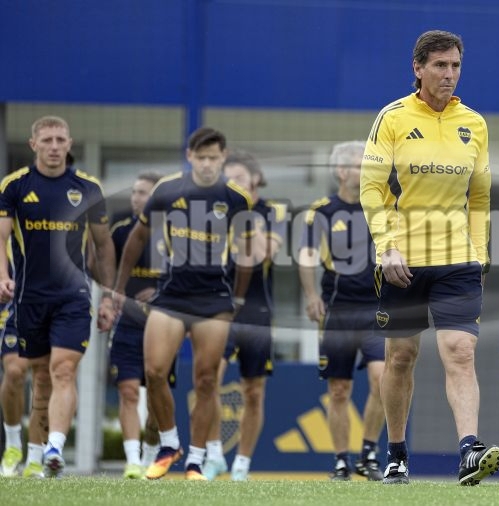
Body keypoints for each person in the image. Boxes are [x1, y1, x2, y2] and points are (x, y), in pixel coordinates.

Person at [359, 30, 499, 485]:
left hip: (457, 259)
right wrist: (386, 247)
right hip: (402, 260)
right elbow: (371, 189)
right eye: (440, 65)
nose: (449, 74)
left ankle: (468, 451)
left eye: (456, 65)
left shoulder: (474, 123)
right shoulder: (393, 117)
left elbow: (480, 197)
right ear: (418, 68)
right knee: (401, 356)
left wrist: (479, 255)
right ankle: (397, 455)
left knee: (460, 350)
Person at [113, 127, 253, 481]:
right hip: (172, 294)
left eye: (213, 158)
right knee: (154, 371)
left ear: (223, 158)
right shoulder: (167, 189)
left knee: (206, 380)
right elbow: (138, 237)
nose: (207, 164)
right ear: (189, 157)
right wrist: (118, 287)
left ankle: (195, 461)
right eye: (200, 157)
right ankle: (169, 444)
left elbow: (247, 252)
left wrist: (237, 298)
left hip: (214, 299)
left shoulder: (235, 197)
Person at [0, 116, 116, 478]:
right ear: (33, 144)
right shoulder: (15, 186)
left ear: (69, 143)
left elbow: (103, 245)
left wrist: (108, 296)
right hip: (28, 298)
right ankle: (17, 445)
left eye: (60, 139)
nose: (54, 146)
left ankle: (52, 448)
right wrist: (2, 275)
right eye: (47, 140)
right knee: (27, 374)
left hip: (72, 297)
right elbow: (1, 236)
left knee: (62, 370)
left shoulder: (87, 188)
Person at [299, 141, 385, 481]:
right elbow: (306, 256)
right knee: (339, 390)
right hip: (338, 311)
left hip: (377, 310)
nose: (366, 171)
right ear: (341, 171)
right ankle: (340, 461)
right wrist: (311, 296)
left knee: (383, 381)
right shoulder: (321, 211)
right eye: (360, 165)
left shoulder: (381, 207)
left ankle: (369, 453)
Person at [202, 150, 285, 481]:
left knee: (253, 391)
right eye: (228, 179)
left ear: (255, 179)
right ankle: (213, 454)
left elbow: (264, 252)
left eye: (238, 178)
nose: (232, 184)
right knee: (209, 379)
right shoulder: (215, 210)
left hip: (256, 310)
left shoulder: (272, 211)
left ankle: (242, 465)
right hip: (219, 307)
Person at [107, 171, 167, 479]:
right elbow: (107, 271)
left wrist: (158, 293)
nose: (136, 198)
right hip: (128, 324)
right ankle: (132, 461)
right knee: (128, 390)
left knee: (157, 399)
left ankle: (151, 454)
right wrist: (111, 298)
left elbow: (186, 279)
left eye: (143, 192)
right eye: (134, 192)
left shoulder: (173, 232)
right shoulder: (119, 230)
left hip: (163, 327)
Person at [1, 300, 46, 478]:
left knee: (44, 377)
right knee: (14, 372)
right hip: (15, 301)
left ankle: (35, 459)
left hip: (53, 299)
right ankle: (12, 447)